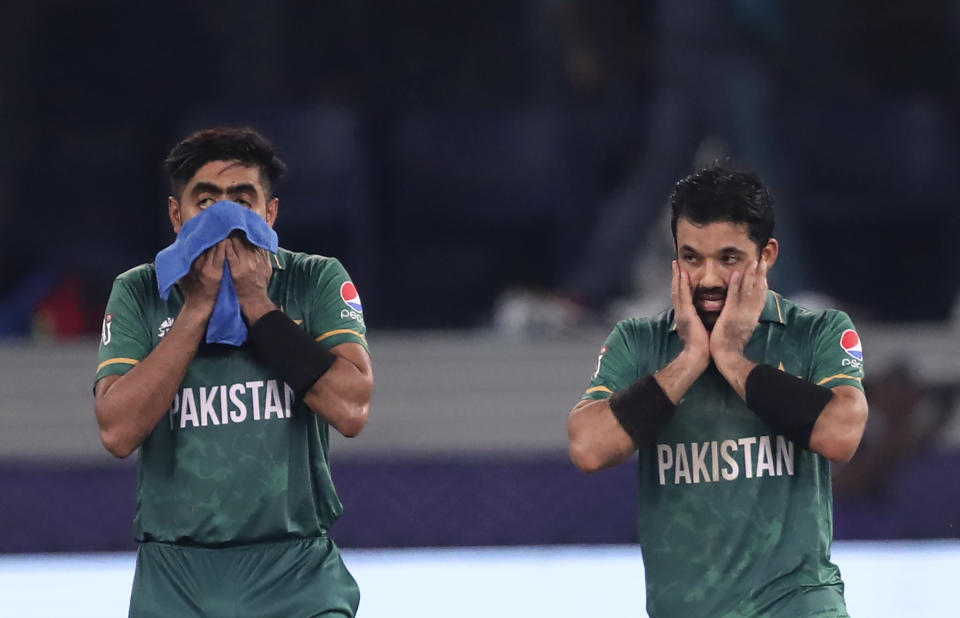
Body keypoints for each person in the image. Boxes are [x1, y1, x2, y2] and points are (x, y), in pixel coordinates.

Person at [94, 127, 373, 617]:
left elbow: (351, 408)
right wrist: (197, 308)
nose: (225, 217)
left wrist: (257, 305)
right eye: (206, 201)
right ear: (176, 214)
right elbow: (117, 430)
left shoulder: (313, 279)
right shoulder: (140, 292)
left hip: (297, 575)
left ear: (271, 213)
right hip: (175, 579)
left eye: (243, 199)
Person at [567, 163, 868, 617]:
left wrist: (731, 359)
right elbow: (589, 447)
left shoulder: (815, 332)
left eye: (728, 259)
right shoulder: (640, 341)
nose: (707, 279)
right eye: (692, 258)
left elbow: (841, 434)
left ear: (766, 255)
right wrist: (690, 359)